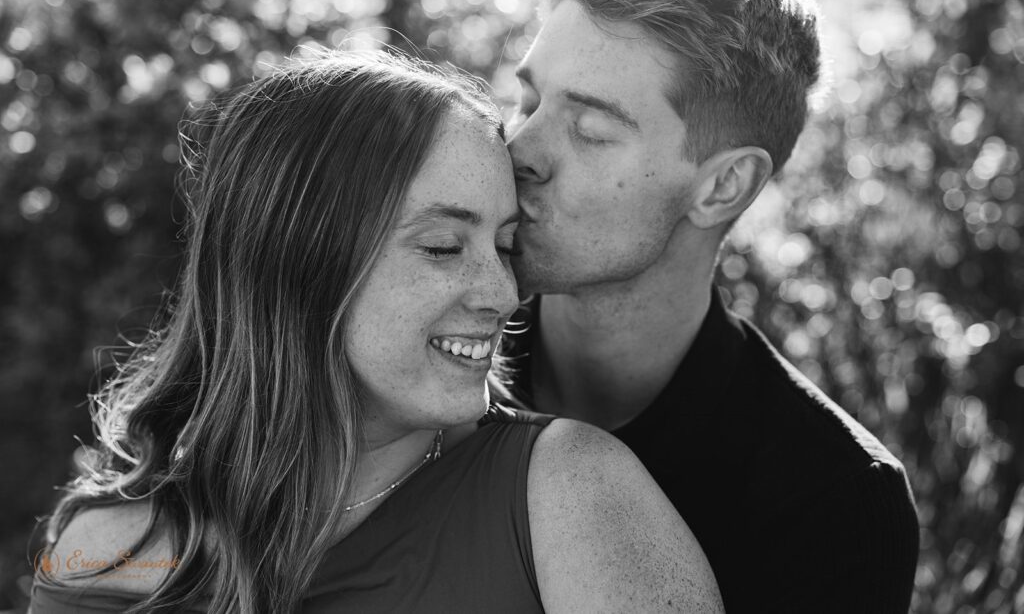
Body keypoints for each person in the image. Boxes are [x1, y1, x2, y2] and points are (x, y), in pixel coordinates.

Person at [30, 50, 723, 613]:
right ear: (301, 260)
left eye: (505, 245)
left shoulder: (570, 496)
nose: (503, 292)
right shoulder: (108, 555)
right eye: (444, 246)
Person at [500, 0, 920, 612]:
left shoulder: (833, 500)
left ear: (724, 186)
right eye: (527, 102)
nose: (518, 149)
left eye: (591, 131)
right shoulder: (405, 373)